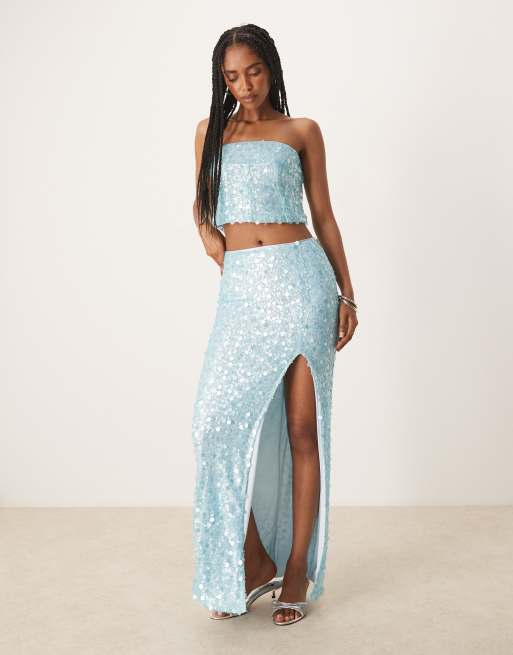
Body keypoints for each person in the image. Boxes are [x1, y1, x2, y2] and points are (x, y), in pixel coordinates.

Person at [191, 23, 358, 626]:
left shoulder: (300, 131)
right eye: (232, 76)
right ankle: (254, 559)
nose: (245, 85)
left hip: (302, 282)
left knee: (302, 429)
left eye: (254, 71)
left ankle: (296, 569)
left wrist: (346, 293)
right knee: (212, 425)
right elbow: (202, 203)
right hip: (243, 292)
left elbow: (324, 214)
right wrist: (209, 237)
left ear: (272, 68)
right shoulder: (210, 133)